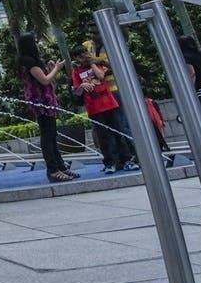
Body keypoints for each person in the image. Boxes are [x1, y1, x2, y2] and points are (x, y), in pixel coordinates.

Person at [16, 34, 75, 182]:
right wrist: (56, 68)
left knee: (51, 135)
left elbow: (49, 81)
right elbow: (45, 80)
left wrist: (51, 69)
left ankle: (61, 167)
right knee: (48, 136)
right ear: (30, 44)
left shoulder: (32, 61)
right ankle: (53, 170)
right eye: (36, 42)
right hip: (41, 102)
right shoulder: (29, 62)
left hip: (45, 101)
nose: (38, 45)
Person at [72, 49, 131, 173]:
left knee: (118, 132)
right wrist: (82, 86)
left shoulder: (97, 65)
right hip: (94, 108)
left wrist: (92, 63)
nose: (85, 58)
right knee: (103, 137)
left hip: (109, 104)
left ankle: (126, 159)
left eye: (87, 54)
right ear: (77, 58)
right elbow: (77, 89)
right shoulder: (76, 71)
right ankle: (110, 162)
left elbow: (100, 76)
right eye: (82, 56)